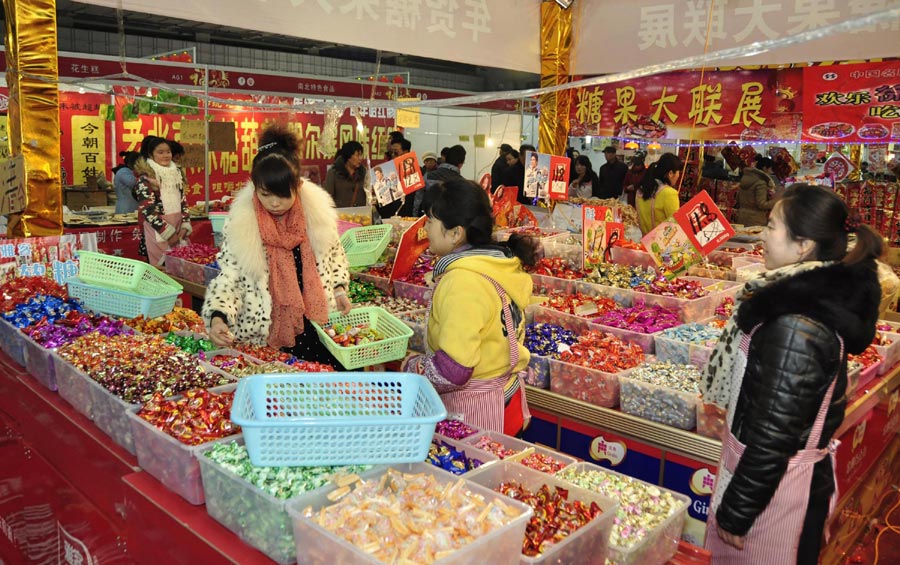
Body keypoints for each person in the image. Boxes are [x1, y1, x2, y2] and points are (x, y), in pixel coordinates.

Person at [703, 184, 882, 564]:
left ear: (803, 246)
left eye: (771, 226)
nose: (762, 236)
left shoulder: (797, 326)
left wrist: (736, 511)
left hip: (774, 499)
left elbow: (773, 436)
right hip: (766, 484)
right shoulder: (799, 302)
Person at [203, 126, 352, 368]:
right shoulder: (243, 224)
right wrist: (218, 317)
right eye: (265, 194)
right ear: (254, 187)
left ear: (298, 187)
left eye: (283, 195)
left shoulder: (317, 218)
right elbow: (230, 276)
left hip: (315, 327)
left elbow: (333, 257)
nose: (274, 203)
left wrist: (339, 290)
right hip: (266, 334)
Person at [402, 178, 538, 435]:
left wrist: (412, 367)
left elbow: (454, 369)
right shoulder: (499, 264)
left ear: (456, 233)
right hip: (507, 402)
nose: (425, 228)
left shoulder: (463, 280)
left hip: (477, 414)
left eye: (430, 221)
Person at [133, 136, 191, 266]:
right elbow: (148, 211)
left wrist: (185, 224)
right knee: (161, 274)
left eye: (168, 152)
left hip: (178, 229)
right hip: (158, 232)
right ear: (151, 154)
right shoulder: (146, 179)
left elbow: (183, 201)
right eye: (160, 152)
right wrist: (168, 233)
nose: (166, 155)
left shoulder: (177, 174)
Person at [636, 152, 682, 234]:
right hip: (663, 245)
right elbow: (676, 225)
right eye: (678, 172)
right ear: (671, 173)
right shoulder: (669, 193)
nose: (679, 175)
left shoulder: (641, 191)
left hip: (644, 243)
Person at [420, 144, 466, 215]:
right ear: (460, 164)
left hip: (429, 218)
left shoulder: (428, 176)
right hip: (450, 222)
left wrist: (416, 217)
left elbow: (418, 199)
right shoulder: (462, 183)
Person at [735, 157, 778, 227]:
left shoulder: (745, 179)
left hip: (742, 216)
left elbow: (738, 199)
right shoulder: (761, 183)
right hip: (756, 220)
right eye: (771, 169)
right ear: (765, 168)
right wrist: (776, 201)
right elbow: (762, 204)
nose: (771, 172)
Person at [324, 141, 366, 207]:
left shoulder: (364, 173)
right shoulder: (334, 173)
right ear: (349, 157)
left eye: (361, 155)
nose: (360, 158)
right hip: (341, 215)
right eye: (357, 155)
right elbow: (327, 198)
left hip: (360, 215)